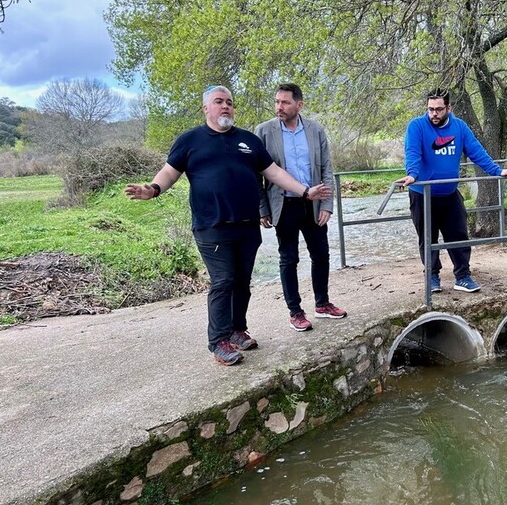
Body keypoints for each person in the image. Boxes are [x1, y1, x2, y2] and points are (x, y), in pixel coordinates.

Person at [125, 85, 332, 366]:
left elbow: (274, 173)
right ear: (206, 108)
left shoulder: (248, 140)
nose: (225, 107)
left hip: (247, 226)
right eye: (219, 102)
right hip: (212, 225)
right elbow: (169, 173)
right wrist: (152, 189)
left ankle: (237, 330)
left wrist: (305, 192)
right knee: (223, 281)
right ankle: (218, 340)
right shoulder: (190, 141)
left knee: (242, 282)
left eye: (229, 102)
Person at [397, 88, 507, 293]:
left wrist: (497, 171)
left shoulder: (460, 127)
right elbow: (413, 153)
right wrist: (412, 175)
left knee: (459, 235)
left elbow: (476, 152)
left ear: (448, 108)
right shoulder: (416, 126)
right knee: (427, 237)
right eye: (430, 109)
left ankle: (462, 276)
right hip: (422, 194)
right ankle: (432, 276)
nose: (434, 114)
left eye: (438, 109)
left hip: (450, 194)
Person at [255, 83, 347, 332]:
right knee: (289, 258)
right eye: (276, 102)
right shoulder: (264, 131)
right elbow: (257, 175)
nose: (279, 107)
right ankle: (295, 312)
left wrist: (327, 204)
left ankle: (322, 303)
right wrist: (262, 208)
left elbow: (326, 169)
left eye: (284, 102)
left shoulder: (315, 130)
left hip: (314, 203)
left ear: (299, 105)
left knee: (321, 254)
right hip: (283, 204)